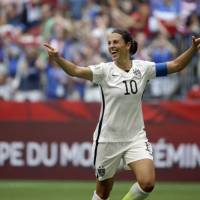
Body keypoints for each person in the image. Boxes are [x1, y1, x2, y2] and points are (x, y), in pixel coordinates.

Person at [44, 29, 200, 200]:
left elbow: (176, 65)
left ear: (127, 45)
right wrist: (58, 58)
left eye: (115, 42)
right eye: (109, 43)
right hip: (107, 140)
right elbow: (75, 70)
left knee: (147, 183)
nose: (111, 46)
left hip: (135, 137)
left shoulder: (144, 68)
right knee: (103, 192)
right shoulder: (104, 71)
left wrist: (193, 49)